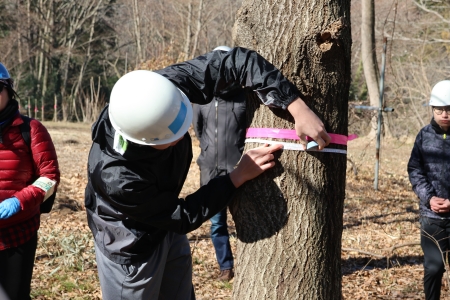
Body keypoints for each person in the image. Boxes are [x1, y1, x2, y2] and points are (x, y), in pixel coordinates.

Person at [85, 47, 330, 299]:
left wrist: (295, 105)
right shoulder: (117, 177)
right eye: (171, 138)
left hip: (167, 227)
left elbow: (235, 61)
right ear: (144, 141)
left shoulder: (160, 89)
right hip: (130, 246)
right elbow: (180, 216)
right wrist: (237, 177)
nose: (181, 137)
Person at [0, 62, 60, 300]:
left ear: (8, 90)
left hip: (18, 234)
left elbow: (50, 178)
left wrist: (18, 201)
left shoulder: (31, 129)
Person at [192, 45, 245, 281]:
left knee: (247, 218)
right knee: (216, 223)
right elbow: (199, 131)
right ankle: (226, 266)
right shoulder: (202, 99)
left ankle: (249, 264)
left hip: (240, 167)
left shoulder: (244, 97)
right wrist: (207, 154)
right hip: (210, 169)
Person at [408, 80, 450, 300]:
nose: (444, 114)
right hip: (431, 216)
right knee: (434, 268)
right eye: (439, 109)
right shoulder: (424, 136)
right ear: (433, 109)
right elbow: (415, 169)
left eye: (449, 109)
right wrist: (429, 198)